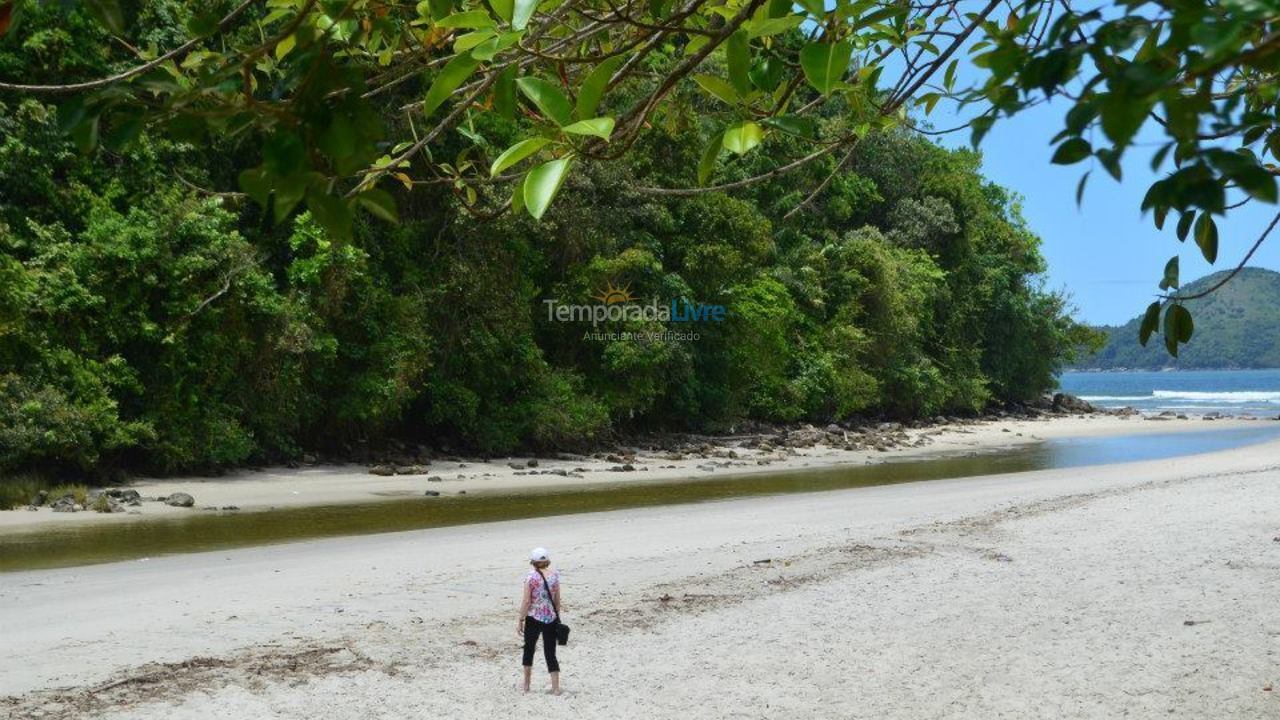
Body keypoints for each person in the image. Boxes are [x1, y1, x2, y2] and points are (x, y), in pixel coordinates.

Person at [518, 546, 562, 694]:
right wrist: (556, 615)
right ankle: (555, 688)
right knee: (550, 652)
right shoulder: (554, 575)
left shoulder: (531, 577)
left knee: (529, 649)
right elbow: (557, 600)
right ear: (547, 560)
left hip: (533, 617)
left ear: (533, 561)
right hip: (550, 618)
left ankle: (526, 685)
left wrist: (520, 619)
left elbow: (526, 601)